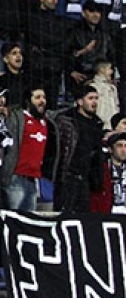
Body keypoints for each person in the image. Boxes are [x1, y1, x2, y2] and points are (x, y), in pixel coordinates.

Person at [3, 87, 58, 211]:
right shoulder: (17, 119)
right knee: (14, 216)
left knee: (29, 218)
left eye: (44, 98)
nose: (42, 101)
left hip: (34, 179)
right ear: (28, 101)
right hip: (16, 177)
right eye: (37, 97)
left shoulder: (47, 122)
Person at [53, 85, 105, 213]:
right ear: (80, 101)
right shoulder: (66, 121)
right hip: (68, 178)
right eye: (90, 98)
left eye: (96, 98)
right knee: (65, 215)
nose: (94, 102)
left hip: (86, 180)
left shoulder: (97, 124)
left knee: (83, 216)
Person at [90, 132, 126, 214]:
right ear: (110, 149)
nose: (123, 150)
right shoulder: (100, 169)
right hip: (107, 214)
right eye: (119, 146)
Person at [89, 60, 119, 130]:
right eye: (110, 69)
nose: (112, 72)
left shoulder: (113, 87)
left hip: (113, 127)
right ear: (102, 70)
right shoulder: (92, 87)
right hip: (99, 126)